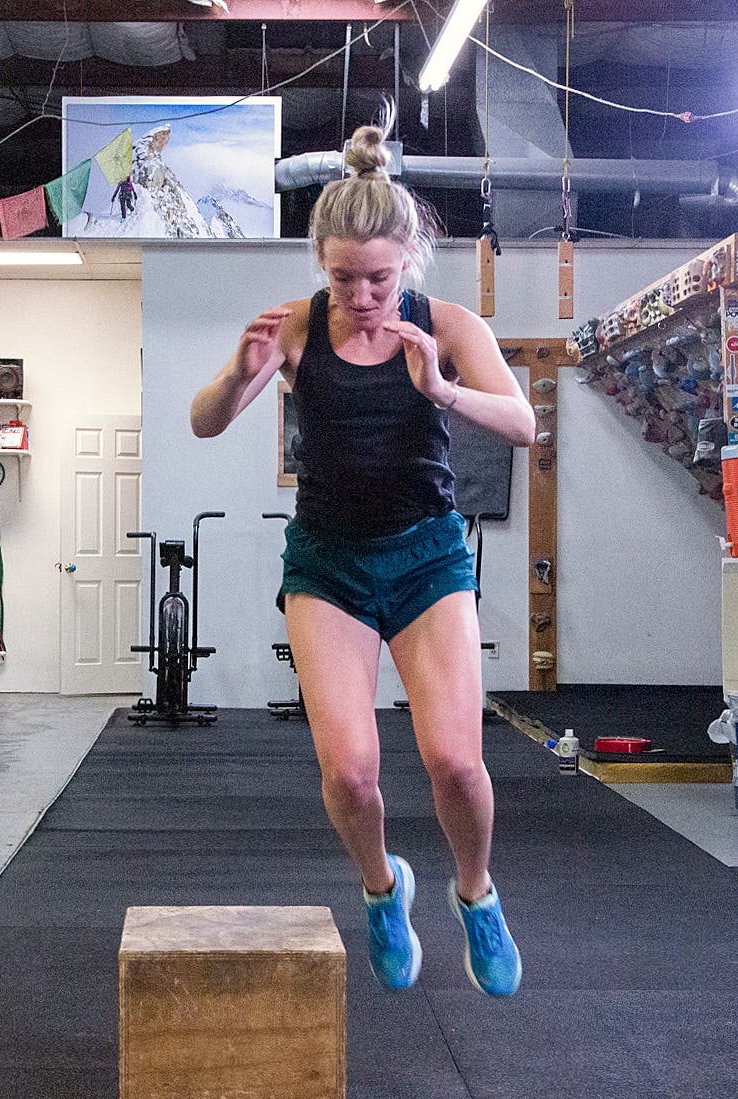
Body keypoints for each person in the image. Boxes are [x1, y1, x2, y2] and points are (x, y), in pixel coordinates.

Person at [189, 122, 536, 997]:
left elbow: (525, 425)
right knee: (348, 771)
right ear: (320, 264)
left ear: (411, 258)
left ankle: (475, 894)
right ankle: (383, 892)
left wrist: (443, 389)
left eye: (378, 277)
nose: (362, 294)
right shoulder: (297, 328)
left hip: (425, 557)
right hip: (327, 562)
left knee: (455, 760)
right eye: (342, 278)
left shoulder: (447, 326)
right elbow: (205, 421)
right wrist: (239, 373)